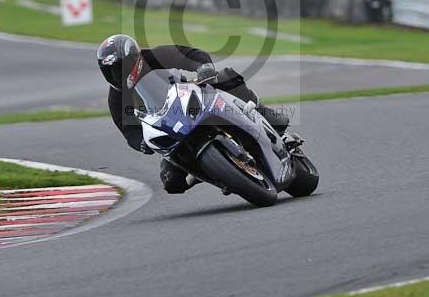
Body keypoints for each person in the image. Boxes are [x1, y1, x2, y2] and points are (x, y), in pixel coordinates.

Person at [96, 34, 289, 194]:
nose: (115, 74)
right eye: (110, 71)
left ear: (134, 58)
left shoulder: (153, 56)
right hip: (171, 129)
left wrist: (204, 67)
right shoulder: (117, 98)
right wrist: (142, 143)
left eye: (119, 66)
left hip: (191, 99)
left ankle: (262, 111)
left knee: (225, 77)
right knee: (170, 181)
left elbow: (188, 55)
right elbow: (128, 131)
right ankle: (212, 173)